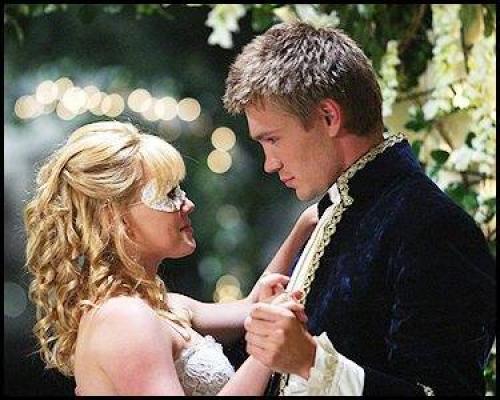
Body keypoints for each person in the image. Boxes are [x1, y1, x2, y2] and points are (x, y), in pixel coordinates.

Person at [223, 22, 496, 396]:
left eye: (272, 139)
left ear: (329, 117)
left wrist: (312, 363)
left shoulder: (432, 226)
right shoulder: (336, 214)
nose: (270, 163)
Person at [24, 120, 315, 396]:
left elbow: (251, 307)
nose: (188, 204)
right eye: (169, 194)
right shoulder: (124, 317)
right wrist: (268, 351)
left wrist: (305, 225)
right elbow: (265, 323)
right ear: (114, 218)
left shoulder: (163, 305)